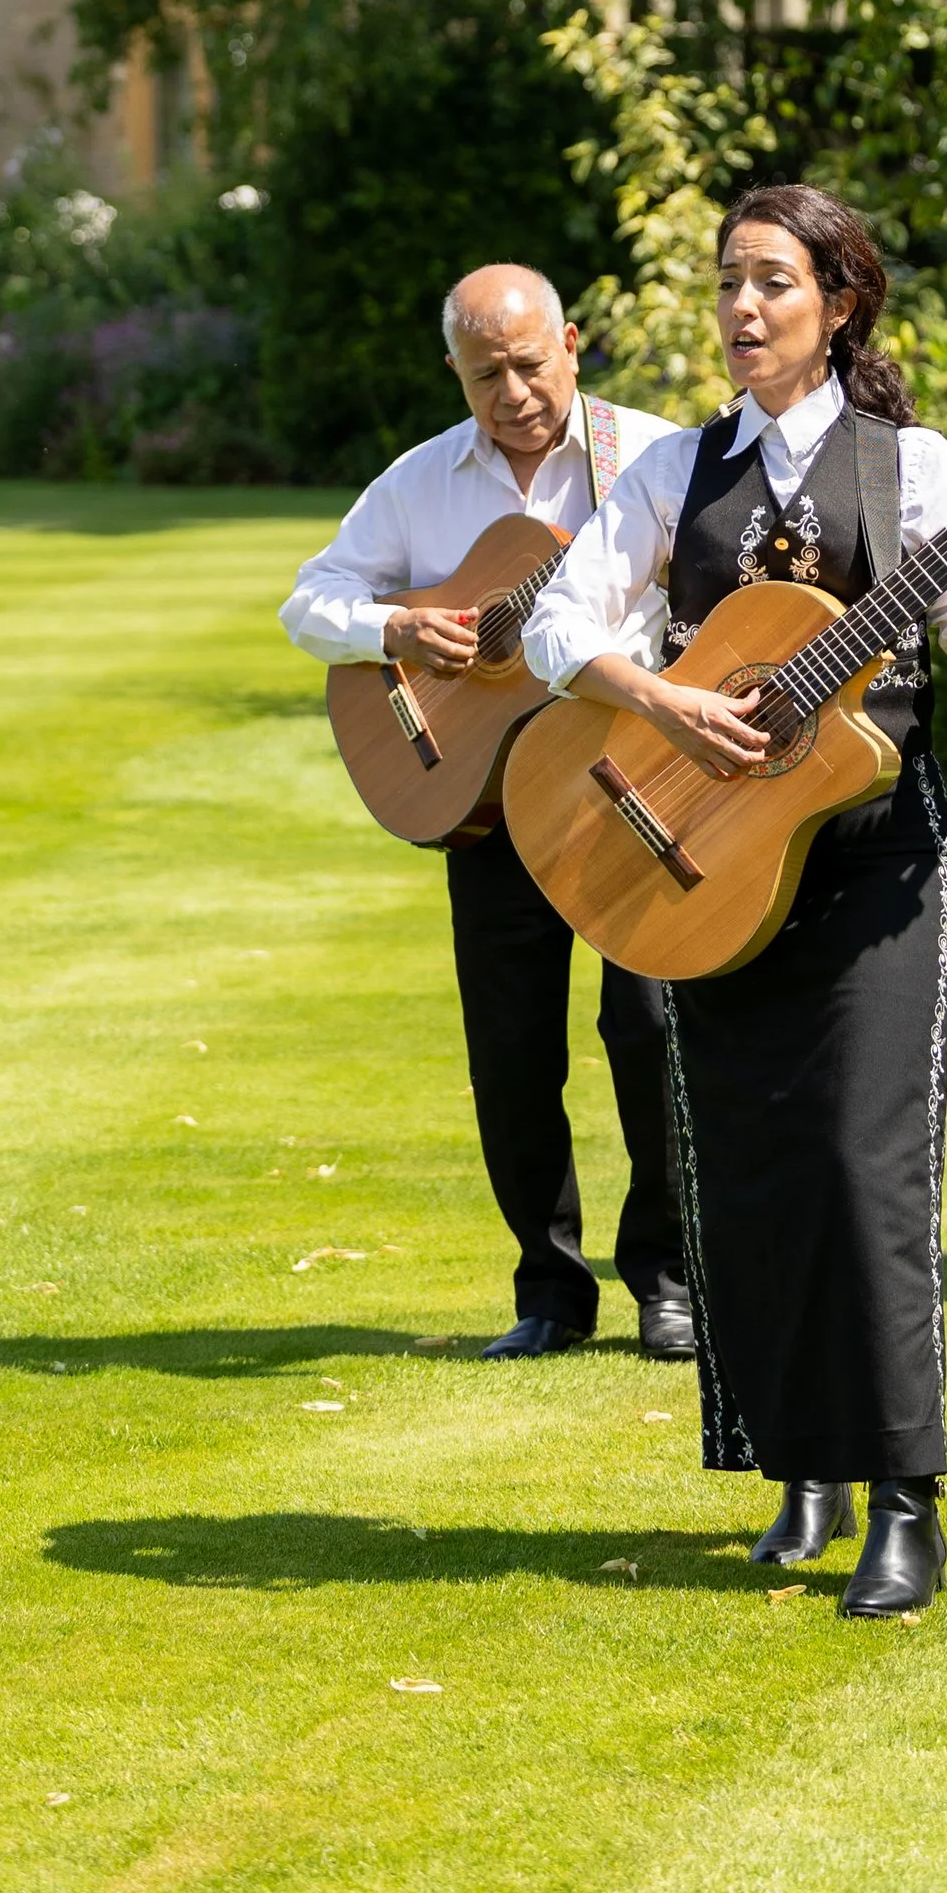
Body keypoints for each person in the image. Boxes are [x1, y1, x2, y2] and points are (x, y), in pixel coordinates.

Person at [521, 185, 947, 1617]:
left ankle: (905, 1497)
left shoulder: (918, 468)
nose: (743, 308)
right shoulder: (676, 469)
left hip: (877, 869)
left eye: (773, 281)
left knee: (862, 1167)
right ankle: (797, 1466)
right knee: (753, 1169)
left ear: (839, 303)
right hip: (712, 865)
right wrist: (662, 698)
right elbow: (553, 621)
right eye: (729, 282)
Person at [279, 266, 692, 1361]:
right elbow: (308, 603)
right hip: (486, 793)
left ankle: (671, 1279)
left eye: (526, 364)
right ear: (454, 373)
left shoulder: (654, 456)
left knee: (649, 1030)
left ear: (571, 342)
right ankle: (548, 1292)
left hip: (628, 775)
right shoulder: (419, 484)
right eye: (483, 375)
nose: (510, 393)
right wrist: (396, 634)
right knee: (510, 1050)